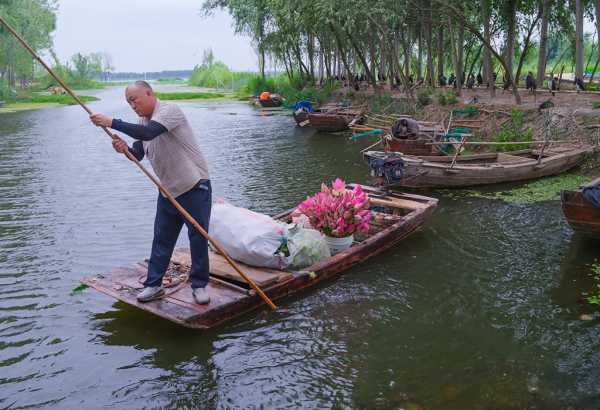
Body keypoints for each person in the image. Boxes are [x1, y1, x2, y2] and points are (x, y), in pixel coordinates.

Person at [89, 81, 212, 305]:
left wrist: (112, 122)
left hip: (193, 185)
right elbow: (138, 153)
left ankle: (200, 284)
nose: (132, 106)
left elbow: (149, 132)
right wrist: (125, 149)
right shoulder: (140, 122)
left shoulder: (169, 110)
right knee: (162, 239)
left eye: (134, 100)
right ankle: (154, 285)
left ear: (148, 93)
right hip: (168, 190)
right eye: (128, 102)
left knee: (197, 237)